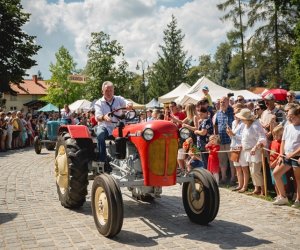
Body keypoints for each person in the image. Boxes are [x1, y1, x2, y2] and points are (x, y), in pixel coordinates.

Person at [94, 81, 132, 162]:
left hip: (119, 127)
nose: (109, 93)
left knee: (134, 134)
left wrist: (129, 104)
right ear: (102, 92)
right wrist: (104, 117)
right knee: (100, 134)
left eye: (111, 90)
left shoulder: (118, 99)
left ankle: (130, 157)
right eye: (106, 91)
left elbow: (127, 102)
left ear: (113, 91)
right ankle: (102, 159)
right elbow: (97, 117)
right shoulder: (98, 103)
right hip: (105, 127)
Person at [272, 106, 300, 207]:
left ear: (298, 116)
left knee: (298, 179)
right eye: (288, 117)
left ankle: (298, 200)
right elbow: (283, 141)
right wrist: (281, 154)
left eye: (292, 117)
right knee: (276, 174)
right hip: (286, 156)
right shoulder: (288, 126)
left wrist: (292, 154)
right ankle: (283, 197)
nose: (289, 119)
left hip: (296, 157)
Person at [235, 108, 267, 195]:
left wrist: (255, 147)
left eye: (242, 118)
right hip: (247, 151)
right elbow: (245, 138)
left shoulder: (255, 125)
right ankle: (256, 189)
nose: (241, 119)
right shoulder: (246, 125)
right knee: (252, 171)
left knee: (256, 171)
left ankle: (263, 190)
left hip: (255, 151)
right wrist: (242, 145)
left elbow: (262, 138)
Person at [226, 104, 249, 193]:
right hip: (234, 146)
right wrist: (230, 133)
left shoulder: (243, 123)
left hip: (241, 147)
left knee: (244, 167)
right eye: (234, 113)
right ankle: (239, 184)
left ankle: (245, 186)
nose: (235, 115)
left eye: (237, 113)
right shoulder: (233, 123)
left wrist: (233, 134)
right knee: (237, 168)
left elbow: (243, 137)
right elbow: (233, 137)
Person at [214, 96, 235, 185]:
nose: (222, 103)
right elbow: (216, 125)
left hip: (231, 140)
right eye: (221, 102)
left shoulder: (232, 112)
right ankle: (223, 177)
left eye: (224, 102)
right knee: (222, 161)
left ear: (228, 102)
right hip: (221, 141)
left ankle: (233, 178)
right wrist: (216, 137)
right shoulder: (218, 113)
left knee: (232, 161)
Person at [269, 125, 287, 199]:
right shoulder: (273, 142)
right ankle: (278, 195)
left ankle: (282, 194)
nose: (275, 136)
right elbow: (270, 153)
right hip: (271, 164)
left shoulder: (281, 144)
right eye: (274, 134)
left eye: (277, 135)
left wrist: (274, 163)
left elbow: (281, 155)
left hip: (277, 164)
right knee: (274, 181)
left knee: (280, 179)